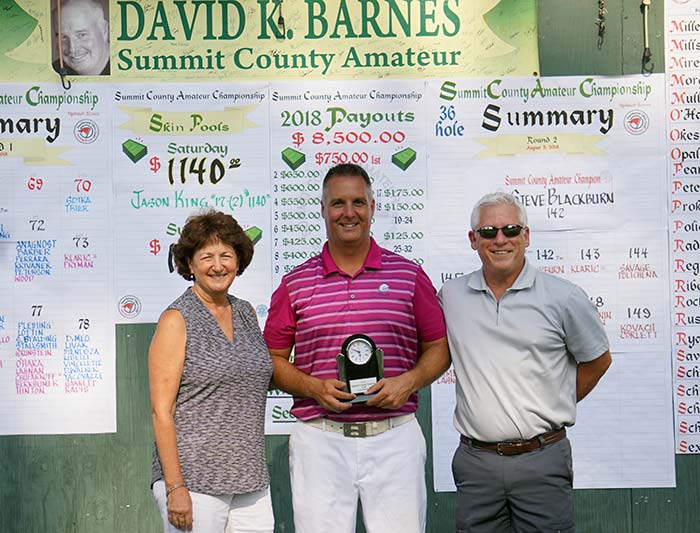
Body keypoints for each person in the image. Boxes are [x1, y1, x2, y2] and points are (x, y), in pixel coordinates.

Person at [263, 163, 450, 533]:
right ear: (322, 209)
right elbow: (271, 359)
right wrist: (313, 388)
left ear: (373, 207)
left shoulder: (409, 276)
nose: (349, 213)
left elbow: (439, 348)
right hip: (320, 439)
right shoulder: (295, 283)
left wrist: (408, 382)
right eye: (338, 203)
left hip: (394, 437)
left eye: (358, 202)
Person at [438, 192, 612, 533]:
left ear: (526, 236)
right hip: (476, 463)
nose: (500, 239)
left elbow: (598, 361)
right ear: (473, 240)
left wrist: (554, 400)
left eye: (511, 229)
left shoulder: (564, 297)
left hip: (542, 458)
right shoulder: (451, 296)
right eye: (488, 232)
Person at [149, 210, 274, 533]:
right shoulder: (176, 319)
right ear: (190, 264)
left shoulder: (246, 312)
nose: (217, 265)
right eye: (206, 257)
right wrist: (175, 487)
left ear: (239, 261)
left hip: (251, 479)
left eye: (226, 256)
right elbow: (162, 411)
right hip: (194, 482)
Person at [53, 0, 110, 76]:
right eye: (63, 37)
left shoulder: (128, 69)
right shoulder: (54, 72)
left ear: (104, 30)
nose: (72, 48)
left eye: (82, 35)